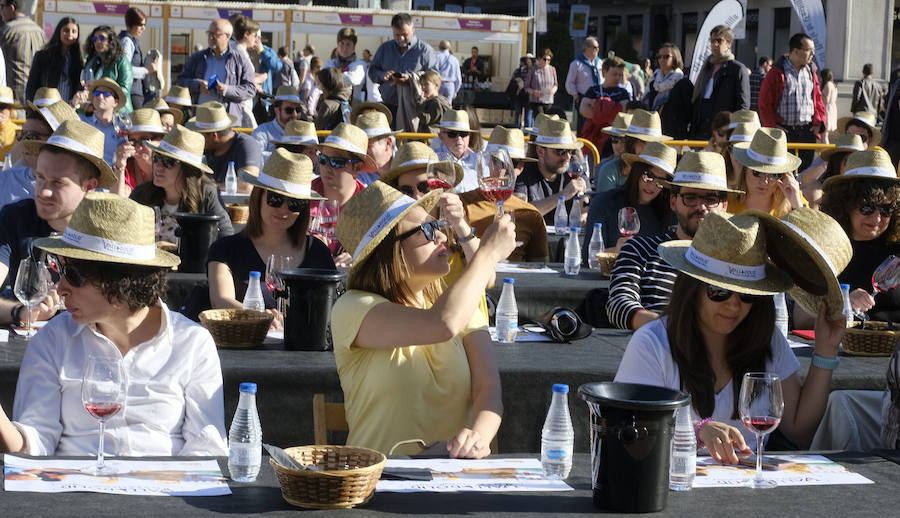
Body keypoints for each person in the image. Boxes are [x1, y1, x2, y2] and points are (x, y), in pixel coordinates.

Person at [0, 192, 228, 457]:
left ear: (120, 281)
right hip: (73, 492)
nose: (59, 288)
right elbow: (31, 450)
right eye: (60, 270)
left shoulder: (192, 343)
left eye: (72, 275)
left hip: (164, 493)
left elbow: (207, 451)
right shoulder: (52, 340)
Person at [615, 209, 846, 461]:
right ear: (691, 288)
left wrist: (826, 350)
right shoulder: (652, 343)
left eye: (747, 294)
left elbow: (799, 430)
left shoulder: (767, 340)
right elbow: (630, 433)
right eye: (719, 291)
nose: (734, 305)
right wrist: (699, 430)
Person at [331, 180, 514, 456]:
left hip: (452, 479)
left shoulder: (457, 303)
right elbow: (442, 324)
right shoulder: (352, 307)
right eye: (428, 230)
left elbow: (488, 389)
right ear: (391, 250)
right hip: (377, 483)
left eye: (438, 226)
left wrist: (477, 439)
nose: (441, 236)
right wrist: (487, 253)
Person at [0, 119, 116, 326]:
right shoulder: (16, 217)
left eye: (58, 183)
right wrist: (22, 312)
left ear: (89, 186)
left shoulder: (108, 232)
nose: (43, 190)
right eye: (40, 177)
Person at [606, 151, 738, 330]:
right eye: (690, 197)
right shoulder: (640, 249)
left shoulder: (736, 260)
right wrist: (672, 328)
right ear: (673, 202)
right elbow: (618, 305)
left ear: (724, 205)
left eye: (711, 198)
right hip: (655, 350)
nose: (701, 207)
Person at [208, 148, 335, 324]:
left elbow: (332, 308)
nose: (283, 209)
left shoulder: (318, 252)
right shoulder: (224, 249)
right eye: (274, 198)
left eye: (294, 203)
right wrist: (262, 319)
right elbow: (220, 301)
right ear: (258, 196)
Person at [820, 150, 900, 321]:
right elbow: (801, 317)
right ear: (845, 204)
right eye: (867, 207)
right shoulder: (827, 248)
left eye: (886, 209)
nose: (877, 218)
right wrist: (843, 303)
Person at [130, 125, 234, 245]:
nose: (158, 166)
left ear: (188, 170)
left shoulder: (207, 195)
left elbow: (227, 238)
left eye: (168, 162)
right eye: (156, 158)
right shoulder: (141, 194)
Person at [462, 128, 548, 262]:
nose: (504, 170)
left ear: (520, 167)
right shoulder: (462, 205)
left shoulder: (531, 214)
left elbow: (540, 270)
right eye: (499, 162)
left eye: (511, 163)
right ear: (488, 162)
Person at [583, 141, 675, 262]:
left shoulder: (672, 212)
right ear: (635, 172)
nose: (652, 185)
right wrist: (616, 251)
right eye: (648, 176)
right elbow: (588, 257)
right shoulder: (603, 203)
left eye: (661, 181)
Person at [311, 123, 375, 267]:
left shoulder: (370, 205)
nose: (327, 167)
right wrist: (306, 245)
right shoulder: (305, 194)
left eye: (336, 162)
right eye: (323, 159)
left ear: (357, 168)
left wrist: (358, 257)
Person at [759, 32, 825, 170]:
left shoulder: (811, 71)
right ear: (796, 51)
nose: (813, 54)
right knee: (783, 170)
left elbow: (818, 99)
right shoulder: (777, 72)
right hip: (785, 132)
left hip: (807, 131)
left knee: (805, 171)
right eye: (809, 50)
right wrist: (772, 126)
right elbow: (764, 103)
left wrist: (819, 122)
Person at [176, 19, 256, 124]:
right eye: (209, 33)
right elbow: (180, 81)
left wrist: (227, 90)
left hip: (228, 122)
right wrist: (197, 85)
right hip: (200, 120)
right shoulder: (197, 58)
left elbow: (250, 89)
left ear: (227, 36)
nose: (210, 37)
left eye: (215, 34)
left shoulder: (240, 60)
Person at [0, 101, 78, 208]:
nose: (24, 142)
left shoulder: (73, 190)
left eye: (32, 136)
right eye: (21, 135)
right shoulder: (5, 179)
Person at [368, 13, 438, 127]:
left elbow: (435, 78)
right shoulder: (385, 49)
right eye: (397, 35)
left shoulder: (425, 51)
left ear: (413, 29)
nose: (401, 38)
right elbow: (372, 71)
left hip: (415, 109)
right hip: (388, 106)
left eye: (405, 34)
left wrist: (411, 79)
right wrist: (383, 75)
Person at [514, 117, 586, 225]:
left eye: (570, 151)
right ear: (540, 151)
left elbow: (586, 207)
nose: (567, 156)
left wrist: (584, 212)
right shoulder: (524, 172)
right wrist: (563, 195)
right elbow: (520, 212)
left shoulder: (574, 171)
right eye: (560, 151)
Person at [728, 128, 805, 217]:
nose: (765, 181)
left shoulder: (793, 199)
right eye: (758, 172)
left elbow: (809, 230)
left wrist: (796, 204)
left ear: (784, 176)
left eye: (774, 175)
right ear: (745, 169)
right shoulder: (725, 203)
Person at [187, 101, 262, 193]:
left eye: (199, 133)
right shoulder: (204, 147)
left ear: (214, 136)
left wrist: (210, 187)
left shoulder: (247, 145)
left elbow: (246, 187)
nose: (196, 138)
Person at [690, 25, 749, 140]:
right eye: (712, 41)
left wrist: (732, 132)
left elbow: (743, 106)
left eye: (719, 40)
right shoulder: (707, 66)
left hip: (724, 132)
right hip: (702, 130)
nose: (714, 44)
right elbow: (699, 98)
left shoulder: (737, 69)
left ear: (729, 44)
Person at [595, 109, 669, 193]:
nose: (648, 148)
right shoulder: (610, 170)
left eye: (653, 143)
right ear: (632, 143)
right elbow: (604, 204)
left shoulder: (665, 172)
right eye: (643, 142)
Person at [25, 17, 82, 105]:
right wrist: (32, 107)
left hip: (69, 108)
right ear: (58, 32)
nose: (70, 35)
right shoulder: (43, 56)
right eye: (66, 31)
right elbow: (31, 86)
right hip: (46, 106)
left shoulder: (78, 59)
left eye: (74, 31)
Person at [110, 108, 167, 196]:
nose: (137, 147)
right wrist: (119, 166)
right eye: (132, 140)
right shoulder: (127, 169)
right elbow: (116, 201)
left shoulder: (170, 168)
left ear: (160, 140)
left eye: (144, 140)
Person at [800, 134, 864, 210]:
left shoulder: (866, 188)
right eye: (850, 161)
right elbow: (811, 220)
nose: (854, 167)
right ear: (837, 161)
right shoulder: (818, 190)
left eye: (860, 162)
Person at [0, 0, 46, 105]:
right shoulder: (39, 31)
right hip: (36, 93)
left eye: (2, 6)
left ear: (11, 8)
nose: (0, 11)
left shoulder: (7, 30)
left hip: (14, 93)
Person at [75, 78, 127, 166]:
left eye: (106, 94)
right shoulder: (81, 122)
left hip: (114, 176)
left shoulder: (123, 129)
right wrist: (74, 104)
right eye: (97, 93)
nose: (100, 96)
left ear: (115, 102)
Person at [81, 26, 133, 113]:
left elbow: (125, 89)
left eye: (102, 38)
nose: (97, 41)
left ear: (110, 41)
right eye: (94, 39)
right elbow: (84, 85)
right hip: (95, 111)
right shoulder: (92, 60)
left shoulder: (121, 60)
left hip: (119, 112)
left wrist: (106, 96)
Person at [429, 109, 480, 193]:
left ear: (469, 136)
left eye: (463, 134)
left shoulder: (480, 161)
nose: (459, 139)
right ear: (441, 137)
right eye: (452, 134)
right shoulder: (433, 160)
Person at [250, 85, 304, 160]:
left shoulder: (305, 132)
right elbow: (254, 157)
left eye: (298, 110)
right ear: (277, 110)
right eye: (289, 110)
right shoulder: (261, 133)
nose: (294, 115)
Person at [565, 37, 602, 134]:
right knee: (584, 125)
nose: (597, 50)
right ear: (586, 48)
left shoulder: (600, 64)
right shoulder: (577, 64)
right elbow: (570, 82)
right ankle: (583, 145)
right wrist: (576, 96)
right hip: (584, 98)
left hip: (598, 99)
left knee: (597, 125)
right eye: (594, 47)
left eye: (598, 47)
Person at [323, 27, 367, 106]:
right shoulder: (330, 63)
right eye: (342, 43)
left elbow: (353, 79)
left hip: (352, 110)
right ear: (337, 44)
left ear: (354, 45)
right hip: (331, 107)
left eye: (348, 44)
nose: (344, 48)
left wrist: (331, 77)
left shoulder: (359, 64)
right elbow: (322, 79)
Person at [119, 7, 152, 110]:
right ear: (131, 24)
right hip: (130, 94)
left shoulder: (130, 40)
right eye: (140, 25)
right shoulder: (127, 41)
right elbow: (124, 69)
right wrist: (146, 70)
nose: (143, 28)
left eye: (144, 25)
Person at [355, 108, 398, 185]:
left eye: (367, 146)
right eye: (358, 146)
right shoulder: (357, 172)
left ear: (388, 143)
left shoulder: (408, 165)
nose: (361, 152)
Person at [644, 43, 684, 112]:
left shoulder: (680, 80)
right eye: (659, 57)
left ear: (675, 58)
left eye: (666, 56)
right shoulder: (653, 79)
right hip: (652, 118)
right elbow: (645, 99)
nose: (662, 59)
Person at [526, 49, 557, 122]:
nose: (547, 62)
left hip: (548, 100)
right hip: (536, 100)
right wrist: (534, 92)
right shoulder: (533, 70)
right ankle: (536, 133)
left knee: (547, 121)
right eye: (545, 59)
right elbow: (526, 86)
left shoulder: (552, 69)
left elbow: (556, 84)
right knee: (540, 119)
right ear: (539, 59)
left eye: (549, 60)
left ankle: (540, 133)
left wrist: (553, 91)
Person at [511, 56, 533, 128]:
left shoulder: (517, 71)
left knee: (518, 114)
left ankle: (517, 129)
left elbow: (513, 79)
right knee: (528, 115)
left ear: (522, 62)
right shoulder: (531, 71)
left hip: (518, 95)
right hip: (528, 95)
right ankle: (528, 131)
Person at [821, 68, 837, 138]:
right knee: (825, 134)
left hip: (827, 110)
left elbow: (826, 99)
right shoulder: (833, 84)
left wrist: (819, 95)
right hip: (831, 109)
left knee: (824, 135)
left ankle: (825, 148)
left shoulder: (828, 84)